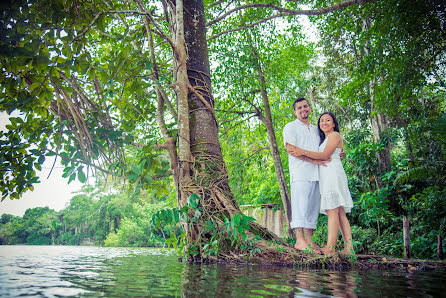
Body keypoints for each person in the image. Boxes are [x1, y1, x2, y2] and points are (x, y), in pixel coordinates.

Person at [290, 112, 354, 256]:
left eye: (328, 120)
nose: (324, 123)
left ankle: (330, 247)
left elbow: (325, 155)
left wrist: (301, 151)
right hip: (327, 174)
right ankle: (349, 249)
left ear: (334, 123)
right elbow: (330, 152)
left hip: (332, 174)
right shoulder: (324, 138)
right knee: (340, 212)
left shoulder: (334, 135)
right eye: (322, 121)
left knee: (332, 210)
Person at [283, 98, 328, 253]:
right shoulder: (291, 127)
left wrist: (337, 152)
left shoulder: (317, 129)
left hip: (317, 174)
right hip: (300, 172)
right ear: (295, 111)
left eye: (306, 106)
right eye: (300, 107)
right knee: (300, 206)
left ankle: (309, 241)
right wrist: (312, 160)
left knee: (312, 208)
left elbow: (325, 147)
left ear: (309, 108)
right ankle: (299, 241)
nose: (304, 109)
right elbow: (291, 149)